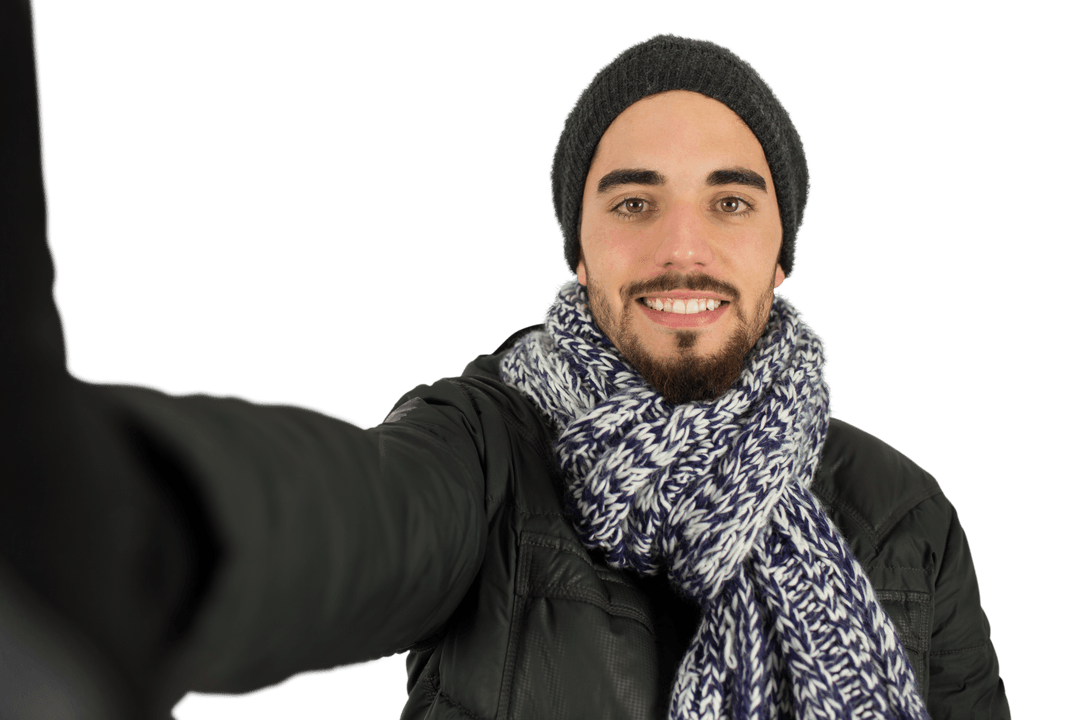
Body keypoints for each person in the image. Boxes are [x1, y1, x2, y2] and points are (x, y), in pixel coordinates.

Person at [1, 2, 1009, 717]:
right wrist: (128, 520)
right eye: (633, 200)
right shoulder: (490, 452)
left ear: (781, 254)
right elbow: (353, 517)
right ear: (580, 248)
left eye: (732, 201)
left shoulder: (903, 516)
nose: (683, 248)